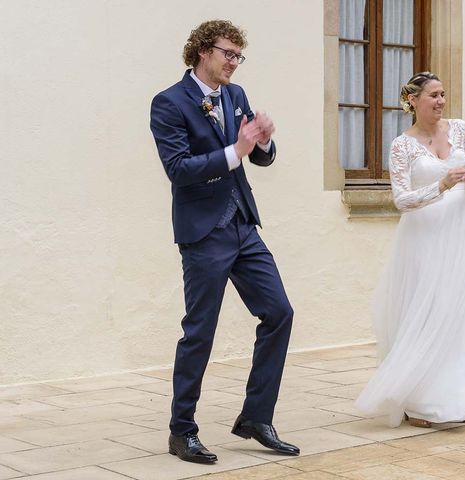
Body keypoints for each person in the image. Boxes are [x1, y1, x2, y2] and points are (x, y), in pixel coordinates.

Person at [149, 20, 299, 464]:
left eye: (238, 56)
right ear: (202, 52)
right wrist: (237, 150)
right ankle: (182, 431)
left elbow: (259, 156)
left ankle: (256, 417)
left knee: (279, 312)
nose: (234, 62)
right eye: (228, 54)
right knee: (201, 330)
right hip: (203, 231)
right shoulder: (169, 103)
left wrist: (264, 143)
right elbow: (178, 167)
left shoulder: (235, 96)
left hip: (243, 227)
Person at [355, 72, 465, 428]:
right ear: (413, 101)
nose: (441, 101)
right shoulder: (402, 145)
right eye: (433, 95)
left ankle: (457, 396)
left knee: (461, 311)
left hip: (458, 236)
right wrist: (441, 185)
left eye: (443, 94)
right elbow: (401, 200)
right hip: (423, 240)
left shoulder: (461, 129)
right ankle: (421, 400)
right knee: (426, 312)